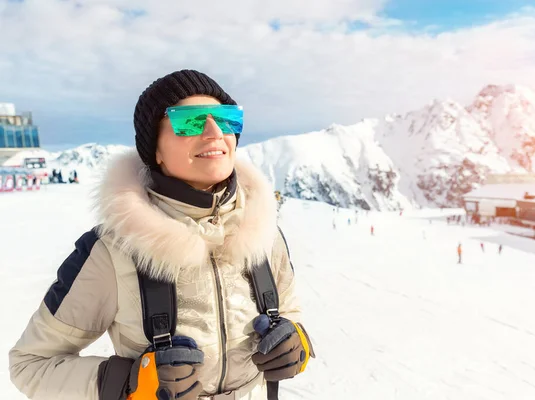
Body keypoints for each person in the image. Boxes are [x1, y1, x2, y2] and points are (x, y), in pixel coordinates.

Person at [9, 70, 314, 400]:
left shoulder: (265, 232)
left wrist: (296, 341)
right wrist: (129, 383)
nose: (214, 132)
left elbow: (289, 312)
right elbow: (31, 364)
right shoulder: (114, 249)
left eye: (226, 119)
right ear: (155, 149)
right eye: (190, 122)